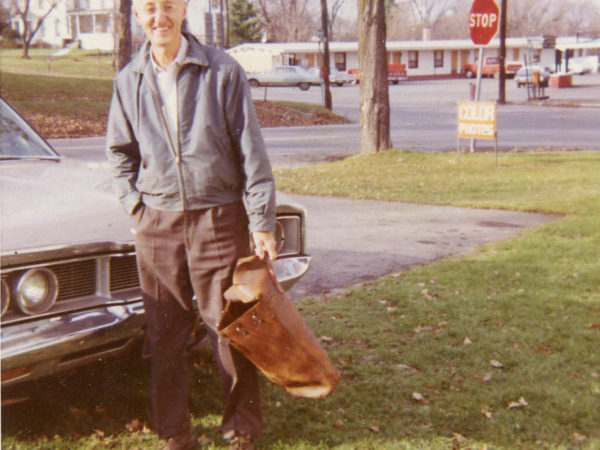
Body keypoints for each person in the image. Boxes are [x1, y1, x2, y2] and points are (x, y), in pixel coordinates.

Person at [105, 0, 277, 448]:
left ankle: (242, 426)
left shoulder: (222, 70)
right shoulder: (129, 80)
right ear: (138, 16)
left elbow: (251, 150)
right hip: (156, 223)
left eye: (167, 6)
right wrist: (135, 206)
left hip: (218, 216)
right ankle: (175, 433)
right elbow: (120, 153)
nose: (158, 17)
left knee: (232, 327)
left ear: (182, 9)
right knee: (164, 332)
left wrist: (260, 220)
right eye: (148, 8)